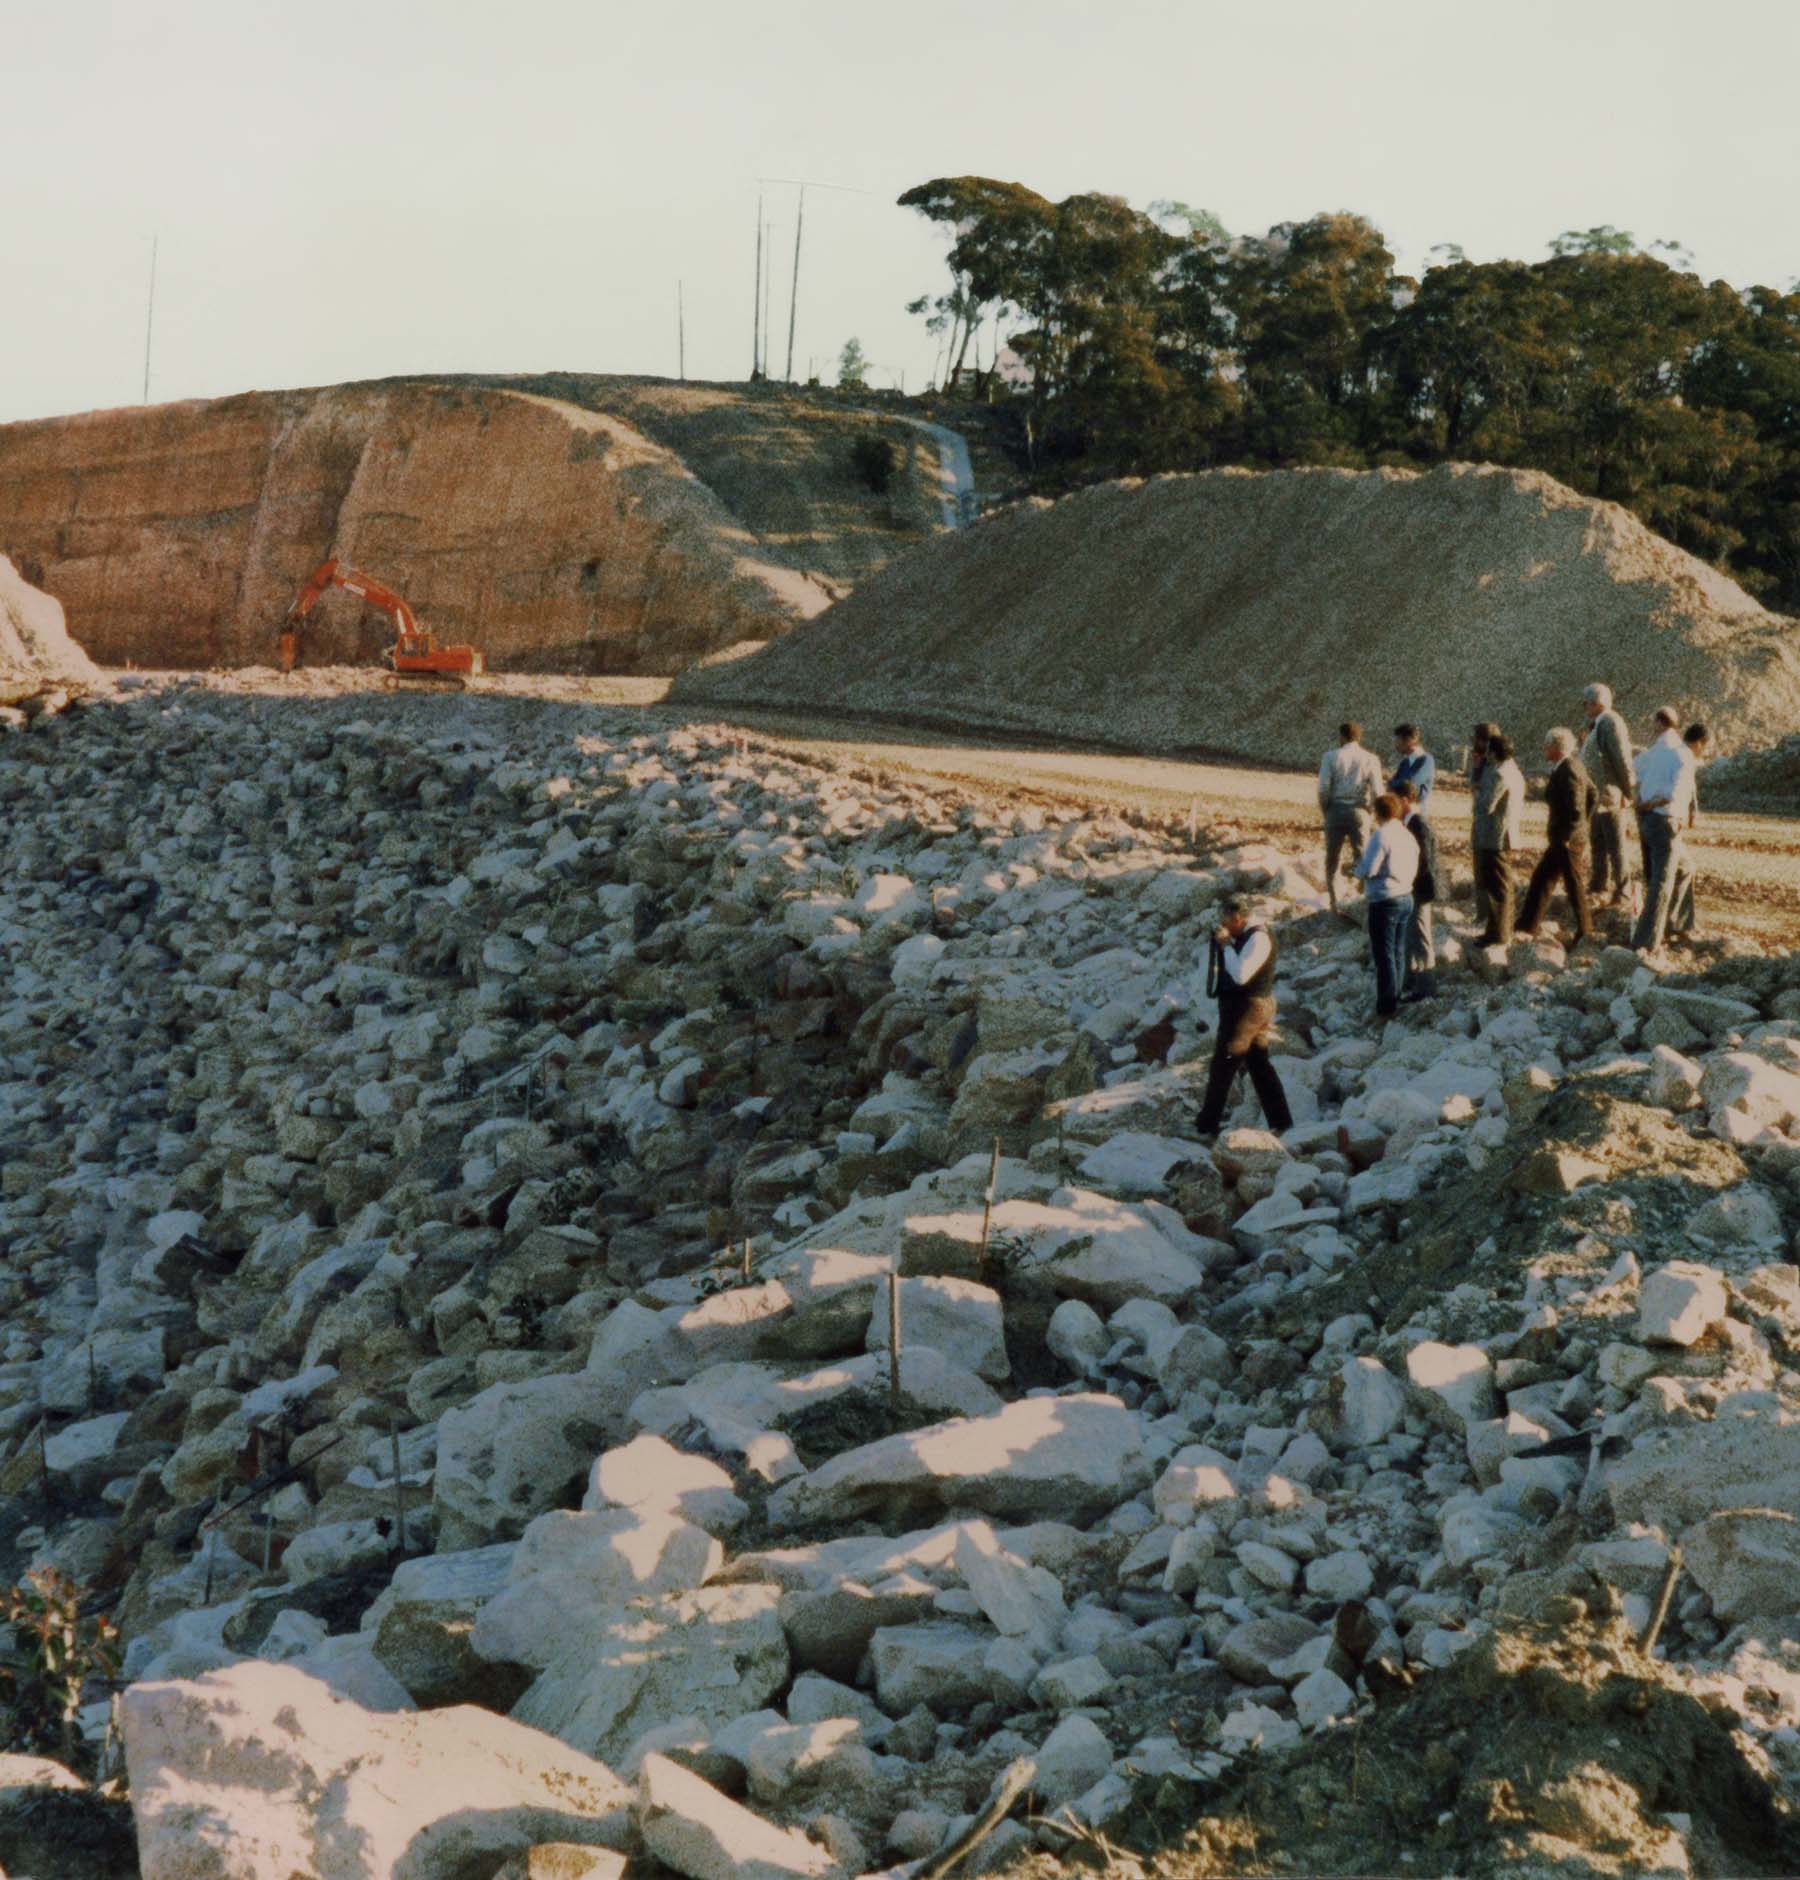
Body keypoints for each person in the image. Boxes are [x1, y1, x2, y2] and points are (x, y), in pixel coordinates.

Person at [1194, 896, 1293, 1138]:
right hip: (1250, 1006)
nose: (1223, 927)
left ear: (1238, 918)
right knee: (1258, 1064)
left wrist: (1226, 945)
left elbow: (1240, 975)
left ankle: (1206, 1126)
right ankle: (1281, 1122)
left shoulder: (1258, 938)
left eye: (1226, 922)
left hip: (1248, 1008)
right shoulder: (1247, 935)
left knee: (1223, 1064)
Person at [1518, 727, 1598, 942]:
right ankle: (1526, 925)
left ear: (1556, 747)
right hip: (1565, 838)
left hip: (1566, 840)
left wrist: (1572, 833)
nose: (1544, 748)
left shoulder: (1568, 769)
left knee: (1573, 884)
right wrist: (1583, 827)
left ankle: (1586, 930)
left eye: (1547, 744)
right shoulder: (1572, 766)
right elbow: (1593, 794)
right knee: (1543, 880)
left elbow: (1577, 807)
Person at [1631, 706, 1697, 954]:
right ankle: (1646, 940)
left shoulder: (1655, 752)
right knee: (1662, 882)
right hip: (1665, 820)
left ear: (1659, 723)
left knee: (1685, 868)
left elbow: (1633, 770)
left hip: (1649, 819)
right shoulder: (1681, 753)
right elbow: (1675, 792)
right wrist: (1653, 801)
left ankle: (1678, 922)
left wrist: (1641, 799)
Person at [1354, 793, 1420, 1018]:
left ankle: (1386, 1006)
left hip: (1385, 899)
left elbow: (1370, 868)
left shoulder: (1381, 835)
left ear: (1377, 813)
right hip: (1405, 896)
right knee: (1398, 951)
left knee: (1384, 956)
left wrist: (1357, 871)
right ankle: (1396, 996)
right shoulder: (1407, 835)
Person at [1318, 722, 1384, 914]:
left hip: (1336, 809)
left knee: (1332, 859)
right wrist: (1371, 812)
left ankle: (1334, 902)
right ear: (1359, 737)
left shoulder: (1330, 756)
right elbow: (1378, 790)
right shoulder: (1371, 758)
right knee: (1363, 857)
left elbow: (1323, 788)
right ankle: (1363, 901)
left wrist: (1326, 810)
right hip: (1360, 811)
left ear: (1342, 736)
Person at [1580, 682, 1635, 906]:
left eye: (1587, 703)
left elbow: (1621, 758)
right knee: (1598, 841)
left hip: (1609, 794)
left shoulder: (1611, 722)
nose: (1584, 708)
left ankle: (1623, 890)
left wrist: (1629, 791)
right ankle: (1599, 883)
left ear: (1597, 703)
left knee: (1615, 844)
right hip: (1597, 794)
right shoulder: (1598, 724)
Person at [1472, 730, 1524, 945]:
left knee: (1497, 888)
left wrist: (1476, 792)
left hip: (1495, 837)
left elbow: (1486, 805)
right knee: (1501, 886)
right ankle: (1498, 931)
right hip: (1504, 834)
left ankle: (1498, 934)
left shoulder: (1499, 773)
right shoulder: (1514, 771)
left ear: (1493, 753)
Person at [1392, 778, 1438, 999]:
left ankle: (1426, 988)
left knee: (1421, 937)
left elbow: (1425, 862)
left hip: (1419, 889)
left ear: (1404, 800)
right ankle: (1410, 981)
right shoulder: (1411, 823)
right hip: (1413, 888)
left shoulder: (1418, 824)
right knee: (1410, 936)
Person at [1666, 722, 1709, 944]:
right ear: (1700, 743)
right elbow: (1680, 789)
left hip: (1660, 819)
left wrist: (1692, 809)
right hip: (1667, 821)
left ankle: (1680, 921)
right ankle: (1676, 923)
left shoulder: (1675, 753)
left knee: (1677, 870)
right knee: (1684, 868)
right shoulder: (1684, 757)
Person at [1466, 722, 1499, 927]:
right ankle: (1482, 914)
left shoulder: (1496, 766)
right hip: (1480, 824)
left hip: (1491, 828)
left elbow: (1483, 797)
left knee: (1489, 875)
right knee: (1480, 873)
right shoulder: (1483, 762)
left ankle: (1490, 918)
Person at [1388, 724, 1436, 807]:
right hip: (1402, 806)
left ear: (1409, 741)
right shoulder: (1405, 762)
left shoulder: (1426, 760)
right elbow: (1391, 783)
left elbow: (1411, 785)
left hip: (1417, 807)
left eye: (1397, 740)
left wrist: (1395, 785)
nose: (1395, 744)